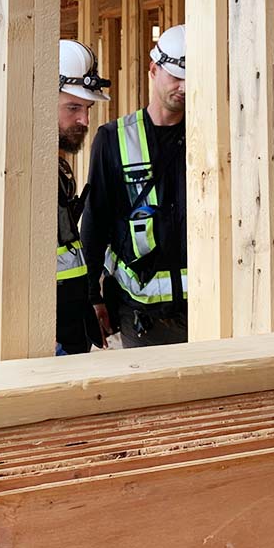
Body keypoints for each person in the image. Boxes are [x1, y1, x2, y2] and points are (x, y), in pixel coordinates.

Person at [81, 24, 187, 349]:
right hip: (141, 314)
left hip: (210, 307)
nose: (184, 86)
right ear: (154, 70)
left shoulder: (214, 134)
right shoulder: (113, 139)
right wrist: (91, 296)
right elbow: (95, 222)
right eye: (176, 76)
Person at [56, 39, 110, 354]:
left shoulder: (58, 170)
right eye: (73, 107)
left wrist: (86, 300)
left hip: (69, 322)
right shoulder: (15, 175)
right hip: (43, 337)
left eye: (87, 109)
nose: (85, 121)